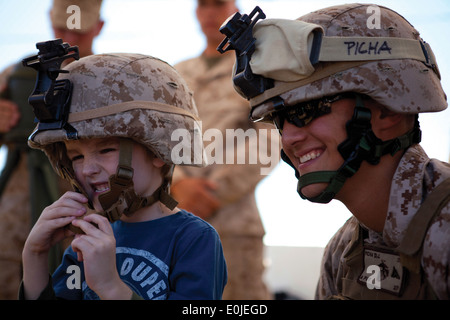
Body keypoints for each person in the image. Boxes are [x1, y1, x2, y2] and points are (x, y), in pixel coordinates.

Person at [219, 3, 449, 299]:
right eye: (279, 120)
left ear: (388, 111)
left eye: (309, 109)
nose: (288, 137)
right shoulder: (344, 250)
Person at [20, 50, 227, 300]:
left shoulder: (194, 239)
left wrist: (111, 288)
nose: (87, 169)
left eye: (106, 150)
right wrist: (35, 254)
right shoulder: (88, 237)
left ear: (159, 148)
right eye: (76, 157)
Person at [172, 0, 277, 300]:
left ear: (236, 10)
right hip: (175, 221)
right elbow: (157, 137)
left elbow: (270, 140)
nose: (210, 12)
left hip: (233, 227)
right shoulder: (174, 74)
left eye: (219, 3)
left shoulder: (257, 68)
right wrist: (177, 185)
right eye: (203, 4)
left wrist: (211, 192)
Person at [0, 0, 103, 299]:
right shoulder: (19, 74)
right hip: (16, 208)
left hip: (88, 203)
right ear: (49, 21)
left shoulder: (111, 76)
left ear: (99, 27)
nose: (69, 41)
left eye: (79, 32)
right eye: (61, 29)